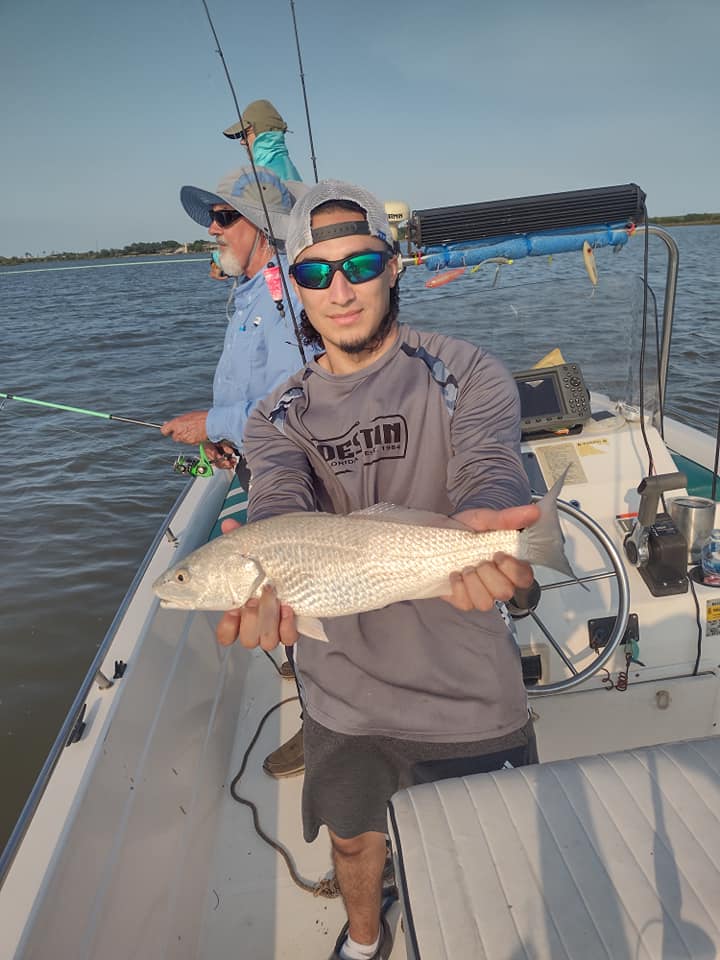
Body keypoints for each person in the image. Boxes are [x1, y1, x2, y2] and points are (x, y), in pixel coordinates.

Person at [215, 180, 541, 960]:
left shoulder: (466, 370)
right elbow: (278, 496)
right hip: (344, 696)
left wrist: (491, 523)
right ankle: (366, 940)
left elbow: (489, 464)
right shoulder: (275, 414)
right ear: (294, 285)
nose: (341, 290)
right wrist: (263, 563)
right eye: (315, 272)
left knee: (480, 853)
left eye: (359, 264)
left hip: (467, 689)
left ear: (392, 267)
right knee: (352, 839)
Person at [162, 164, 307, 779]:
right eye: (213, 218)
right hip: (256, 460)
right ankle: (310, 677)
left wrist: (213, 424)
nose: (213, 230)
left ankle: (325, 724)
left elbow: (297, 402)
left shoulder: (285, 298)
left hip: (291, 473)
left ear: (263, 228)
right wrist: (224, 442)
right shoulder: (250, 293)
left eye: (225, 217)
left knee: (299, 589)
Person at [223, 99, 302, 181]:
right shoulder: (286, 168)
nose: (242, 142)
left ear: (263, 135)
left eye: (245, 135)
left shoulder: (266, 177)